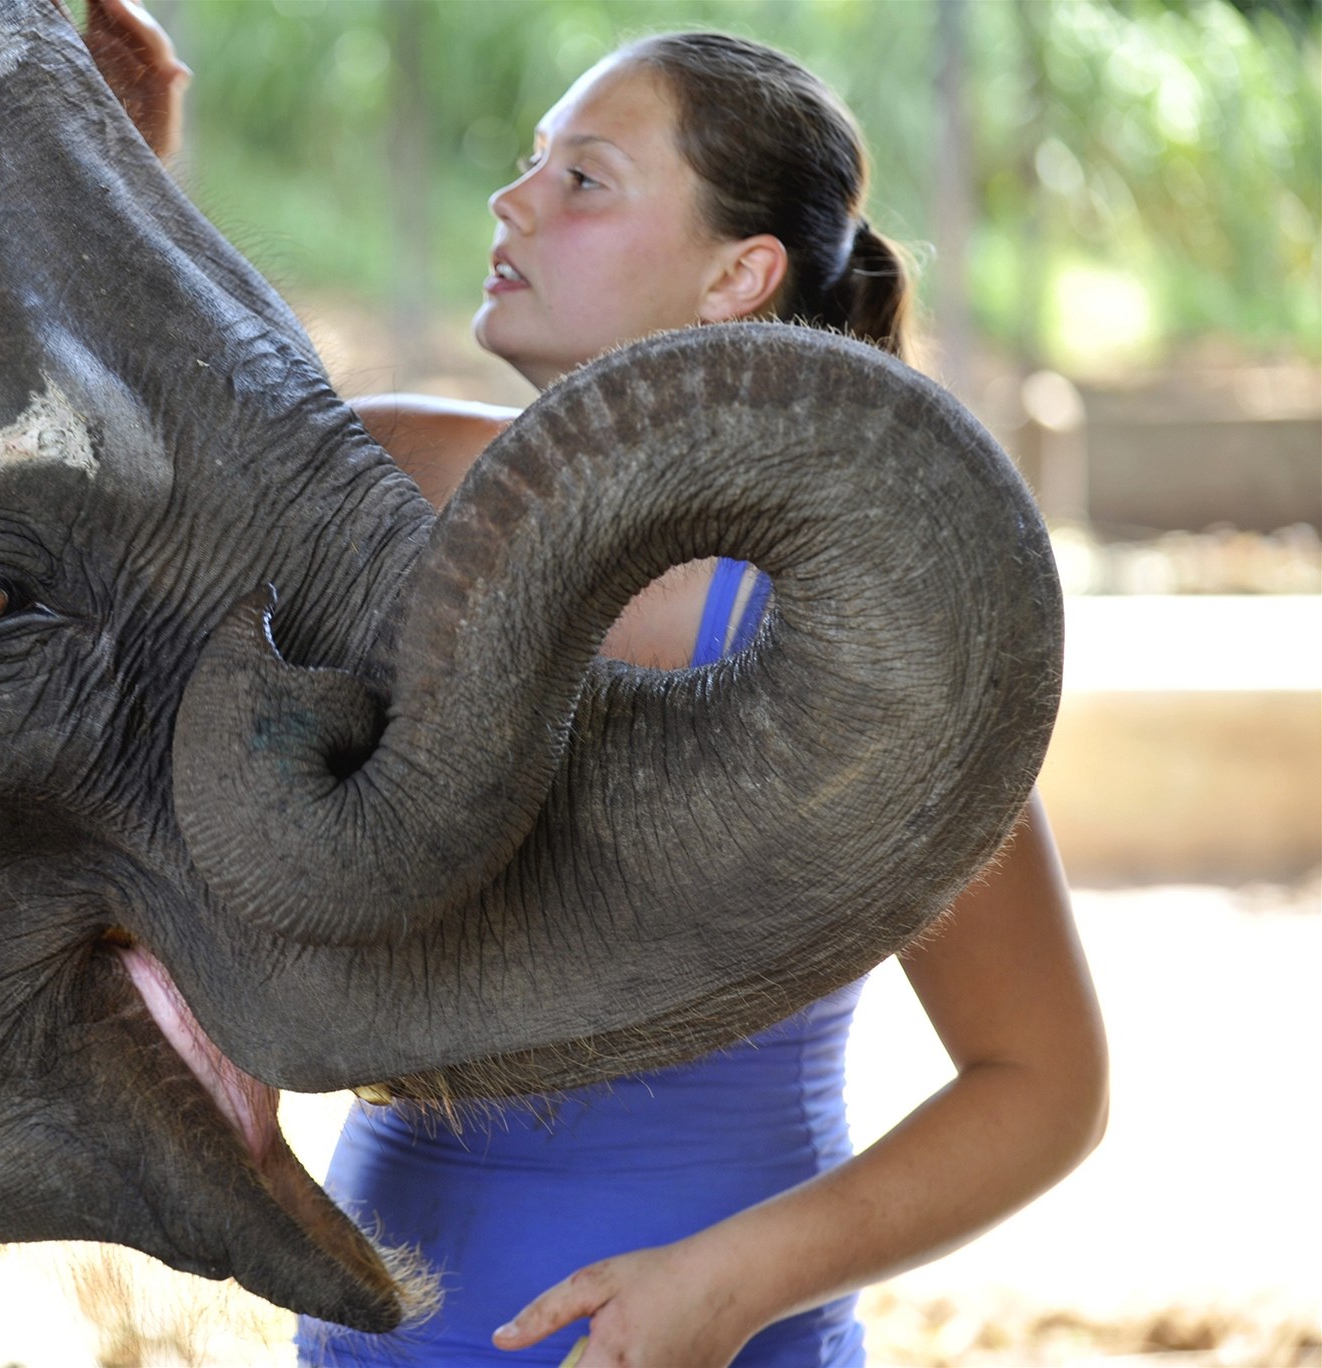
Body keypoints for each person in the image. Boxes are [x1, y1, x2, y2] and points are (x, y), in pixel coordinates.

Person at [95, 10, 1108, 1366]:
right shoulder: (384, 477)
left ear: (737, 275)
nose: (513, 200)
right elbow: (95, 499)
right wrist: (117, 173)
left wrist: (733, 1282)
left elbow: (1044, 1085)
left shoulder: (864, 621)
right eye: (530, 164)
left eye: (584, 179)